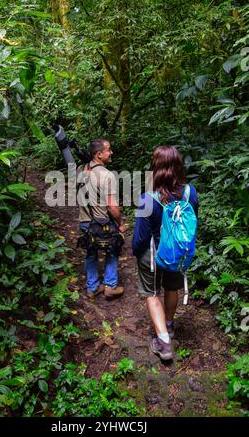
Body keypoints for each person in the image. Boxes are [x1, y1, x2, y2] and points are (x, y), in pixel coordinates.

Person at [132, 146, 199, 360]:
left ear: (156, 168)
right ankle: (169, 326)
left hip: (151, 254)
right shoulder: (191, 193)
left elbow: (140, 237)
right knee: (172, 287)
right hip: (178, 250)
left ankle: (164, 343)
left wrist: (136, 252)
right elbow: (193, 222)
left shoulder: (147, 198)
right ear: (179, 166)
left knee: (152, 294)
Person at [77, 139, 125, 300]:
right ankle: (110, 286)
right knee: (113, 250)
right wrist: (121, 223)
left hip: (85, 221)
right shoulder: (107, 175)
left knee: (91, 252)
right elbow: (112, 207)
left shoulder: (80, 170)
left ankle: (93, 288)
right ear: (98, 154)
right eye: (108, 150)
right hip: (102, 221)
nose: (111, 153)